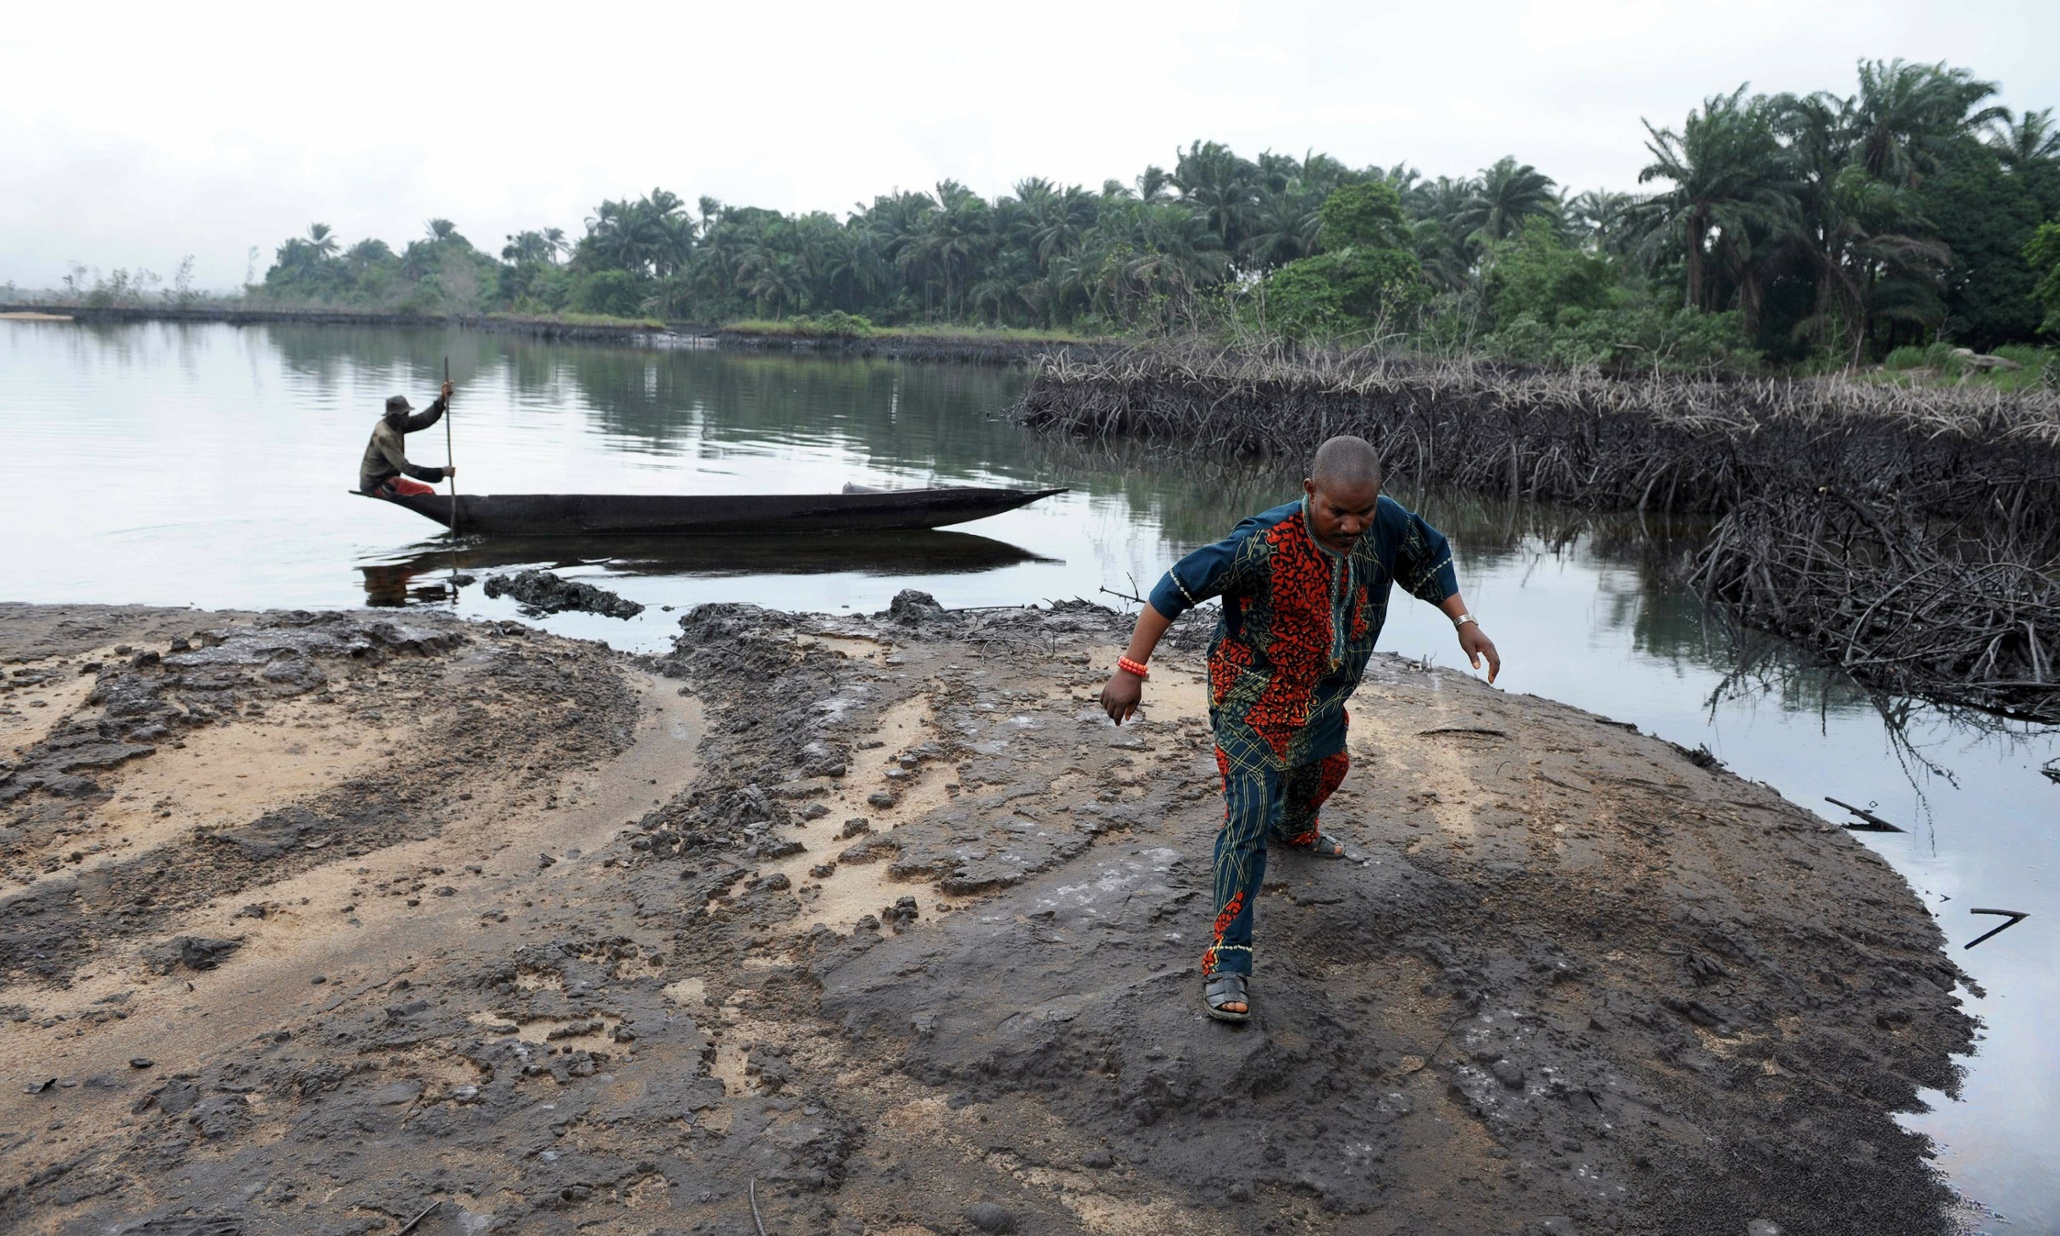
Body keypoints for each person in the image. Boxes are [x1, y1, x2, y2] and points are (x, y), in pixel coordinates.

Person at [1099, 435, 1501, 1024]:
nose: (1351, 525)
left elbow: (1429, 557)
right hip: (1250, 699)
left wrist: (1465, 623)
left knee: (1329, 768)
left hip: (1319, 698)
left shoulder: (1384, 522)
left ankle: (1298, 826)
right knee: (1248, 816)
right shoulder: (1262, 543)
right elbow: (1175, 589)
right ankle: (1227, 959)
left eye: (1362, 512)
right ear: (1309, 490)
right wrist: (1131, 670)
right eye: (1337, 511)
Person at [359, 380, 456, 498]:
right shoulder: (384, 436)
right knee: (427, 492)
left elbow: (423, 420)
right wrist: (441, 472)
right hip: (375, 484)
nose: (407, 417)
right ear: (394, 416)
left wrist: (442, 398)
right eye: (404, 414)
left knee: (426, 492)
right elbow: (406, 468)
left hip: (386, 478)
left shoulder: (397, 424)